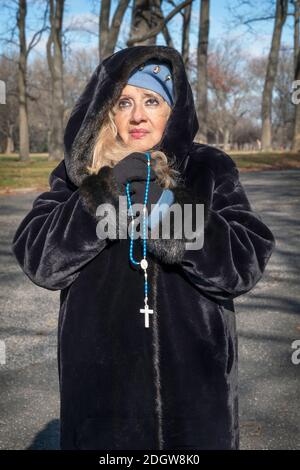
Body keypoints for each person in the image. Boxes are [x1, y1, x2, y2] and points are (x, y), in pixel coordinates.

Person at [11, 45, 275, 450]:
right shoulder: (79, 174)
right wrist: (105, 193)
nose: (137, 115)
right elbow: (41, 260)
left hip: (196, 390)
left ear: (172, 110)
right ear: (108, 112)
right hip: (102, 397)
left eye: (152, 101)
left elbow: (244, 261)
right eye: (124, 102)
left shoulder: (208, 168)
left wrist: (170, 212)